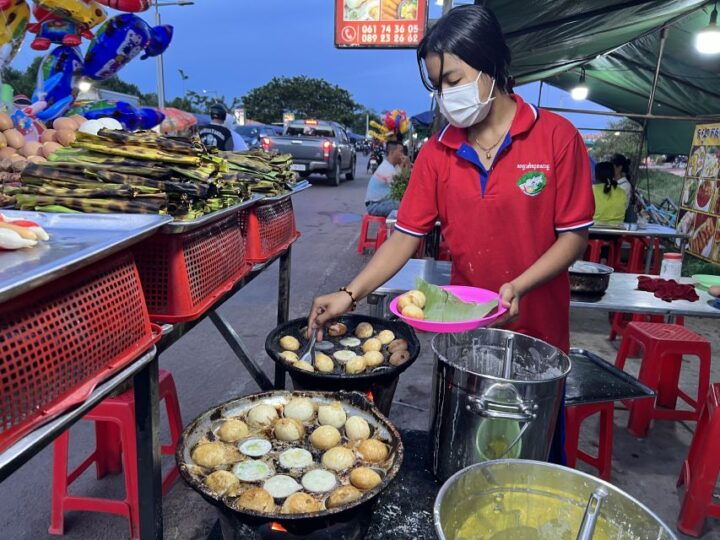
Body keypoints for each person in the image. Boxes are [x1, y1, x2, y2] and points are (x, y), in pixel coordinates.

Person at [308, 4, 595, 464]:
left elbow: (573, 237)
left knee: (532, 457)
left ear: (493, 66)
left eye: (454, 80)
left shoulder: (556, 137)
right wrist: (350, 291)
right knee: (463, 453)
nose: (446, 95)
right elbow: (404, 236)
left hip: (539, 334)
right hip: (465, 332)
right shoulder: (439, 153)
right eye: (437, 85)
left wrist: (518, 286)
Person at [364, 140, 407, 217]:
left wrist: (405, 164)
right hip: (374, 205)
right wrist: (406, 164)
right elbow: (400, 188)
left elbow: (402, 179)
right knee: (402, 206)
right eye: (400, 152)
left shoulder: (394, 166)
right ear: (391, 152)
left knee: (403, 203)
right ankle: (391, 227)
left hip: (383, 202)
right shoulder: (386, 168)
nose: (402, 155)